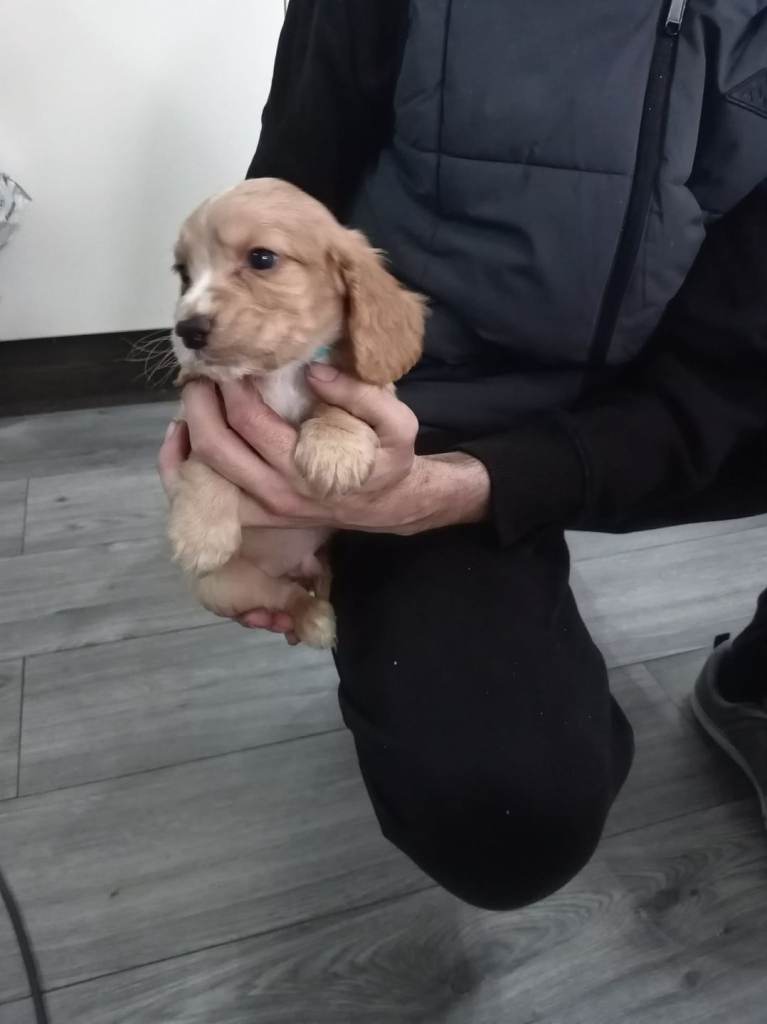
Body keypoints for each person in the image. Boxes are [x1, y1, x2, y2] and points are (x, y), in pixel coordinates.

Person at [158, 1, 767, 910]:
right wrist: (231, 425)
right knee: (506, 811)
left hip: (664, 410)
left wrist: (495, 487)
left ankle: (753, 685)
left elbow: (725, 383)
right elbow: (285, 200)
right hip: (414, 404)